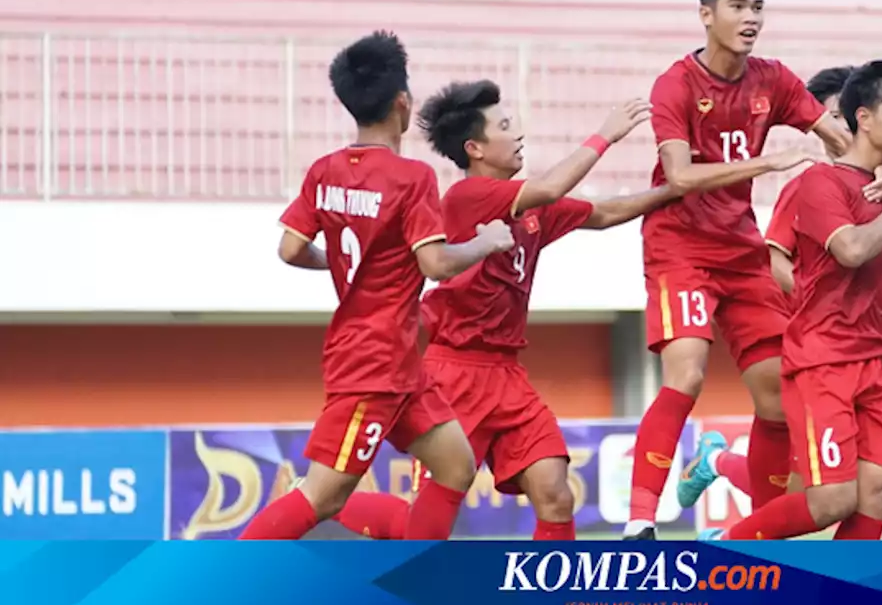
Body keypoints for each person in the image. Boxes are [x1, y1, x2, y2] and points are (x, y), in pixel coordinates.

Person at [325, 80, 687, 541]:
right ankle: (325, 499)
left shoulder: (532, 207)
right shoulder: (466, 197)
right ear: (475, 148)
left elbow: (603, 213)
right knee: (426, 527)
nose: (518, 134)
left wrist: (673, 192)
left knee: (556, 493)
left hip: (507, 374)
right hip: (453, 371)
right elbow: (554, 185)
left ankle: (546, 602)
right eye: (504, 126)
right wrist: (606, 134)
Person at [623, 0, 882, 541]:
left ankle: (754, 532)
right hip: (680, 245)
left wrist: (878, 168)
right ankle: (639, 522)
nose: (751, 18)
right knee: (688, 373)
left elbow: (837, 138)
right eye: (738, 7)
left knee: (776, 393)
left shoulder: (772, 78)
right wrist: (764, 164)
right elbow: (678, 176)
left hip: (740, 247)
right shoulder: (675, 84)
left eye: (758, 7)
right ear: (706, 13)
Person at [237, 32, 514, 540]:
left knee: (455, 466)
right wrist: (487, 242)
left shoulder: (325, 172)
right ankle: (208, 583)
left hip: (400, 363)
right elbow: (434, 264)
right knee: (324, 495)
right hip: (374, 364)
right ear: (402, 103)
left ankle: (414, 581)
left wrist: (348, 267)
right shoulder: (412, 177)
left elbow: (290, 249)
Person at [699, 52, 882, 541]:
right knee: (831, 499)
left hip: (879, 366)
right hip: (823, 363)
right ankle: (727, 547)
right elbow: (848, 249)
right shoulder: (819, 183)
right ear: (863, 119)